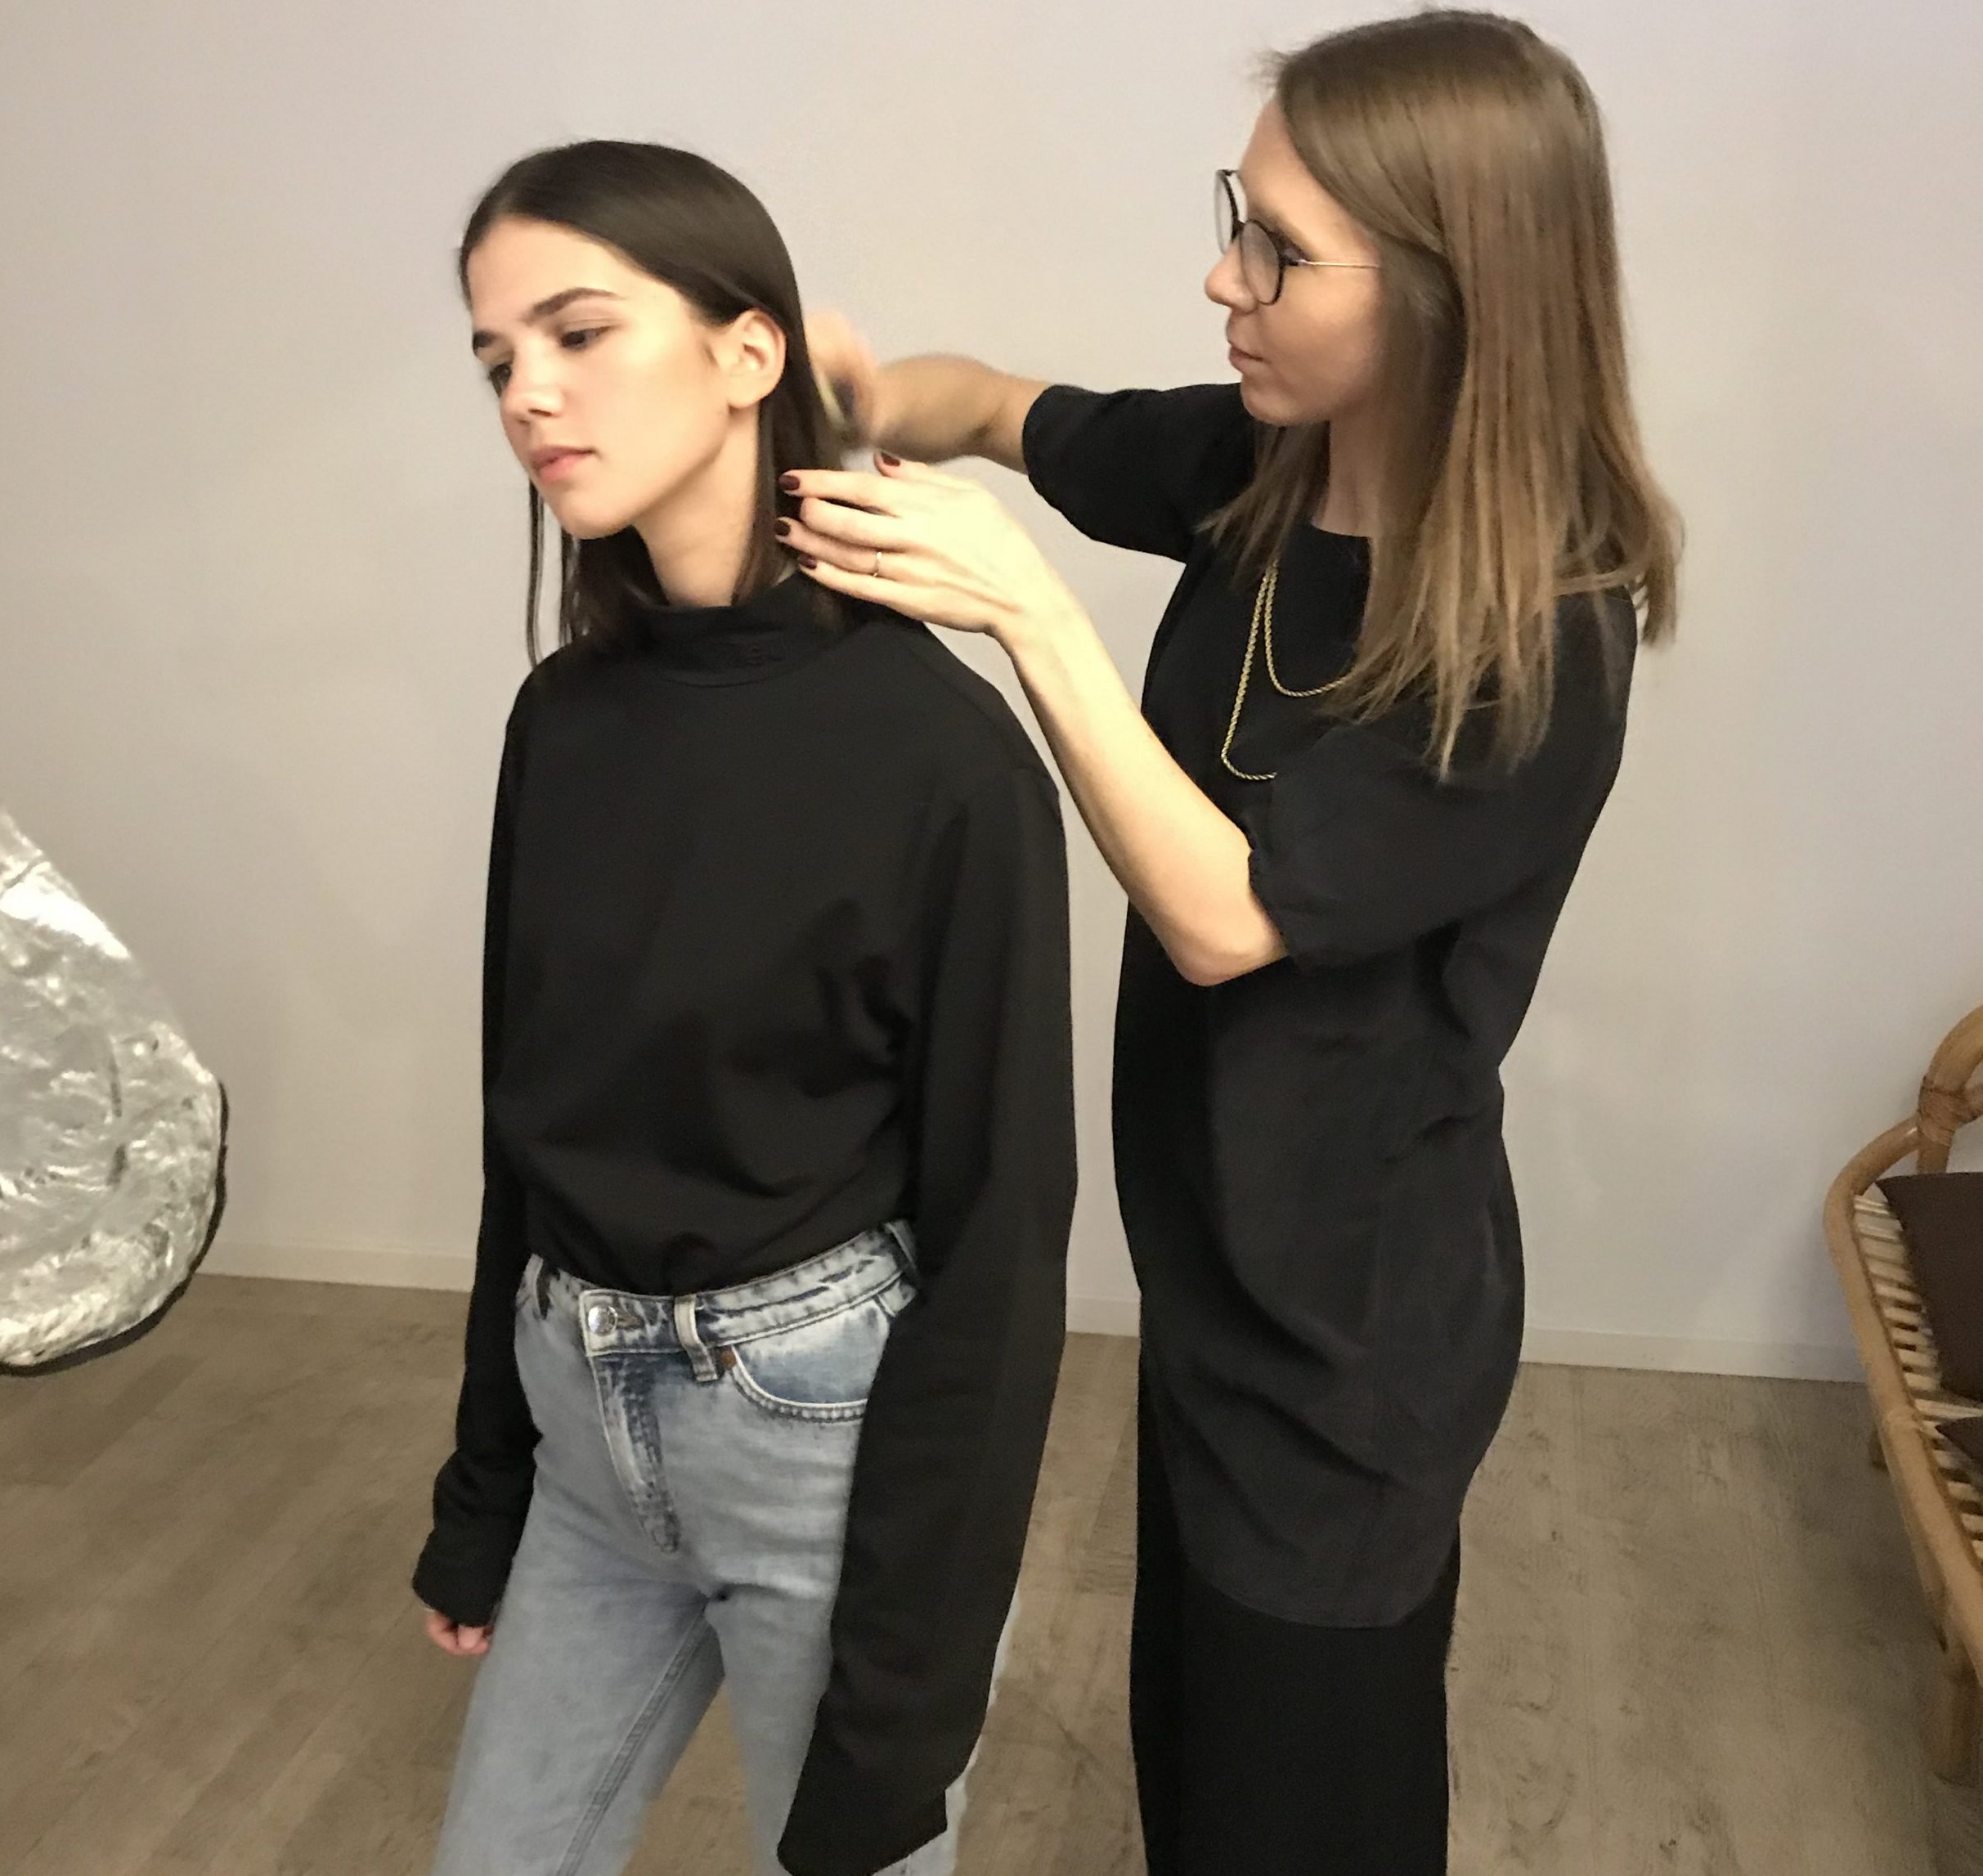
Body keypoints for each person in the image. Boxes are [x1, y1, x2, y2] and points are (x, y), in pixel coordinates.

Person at [785, 12, 1679, 1873]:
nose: (1223, 279)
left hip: (1348, 1339)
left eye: (1280, 250)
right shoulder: (1266, 460)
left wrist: (1031, 616)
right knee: (1199, 1778)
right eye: (1236, 217)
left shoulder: (1538, 638)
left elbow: (1225, 917)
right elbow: (993, 404)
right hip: (1213, 1272)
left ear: (1446, 292)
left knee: (1303, 1800)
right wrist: (847, 394)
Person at [411, 139, 1076, 1876]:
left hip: (815, 1444)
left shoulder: (942, 759)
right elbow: (525, 1123)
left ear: (748, 351)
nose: (528, 394)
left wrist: (908, 1702)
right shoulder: (564, 720)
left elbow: (1004, 1239)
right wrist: (485, 1484)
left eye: (577, 333)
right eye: (497, 358)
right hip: (582, 1434)